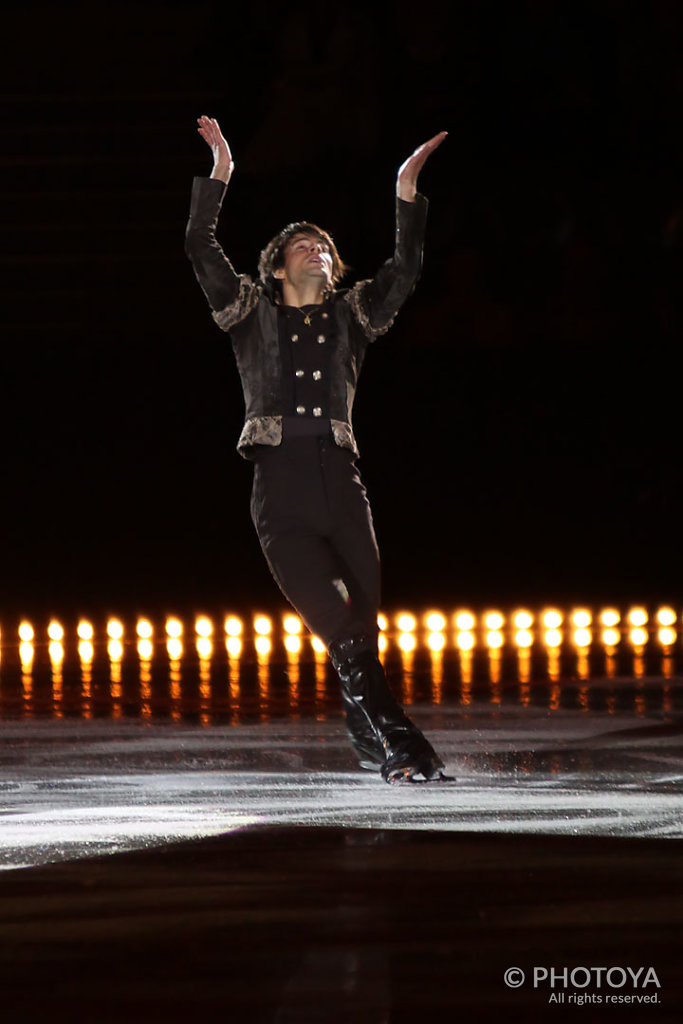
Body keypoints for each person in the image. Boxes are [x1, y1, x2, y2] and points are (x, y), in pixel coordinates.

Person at [185, 116, 449, 783]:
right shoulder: (249, 312)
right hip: (281, 492)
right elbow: (199, 241)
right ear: (276, 264)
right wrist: (220, 171)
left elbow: (405, 267)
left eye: (325, 247)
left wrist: (405, 188)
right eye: (303, 245)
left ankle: (366, 738)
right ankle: (402, 746)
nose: (317, 252)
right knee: (341, 628)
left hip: (343, 483)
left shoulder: (351, 316)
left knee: (364, 626)